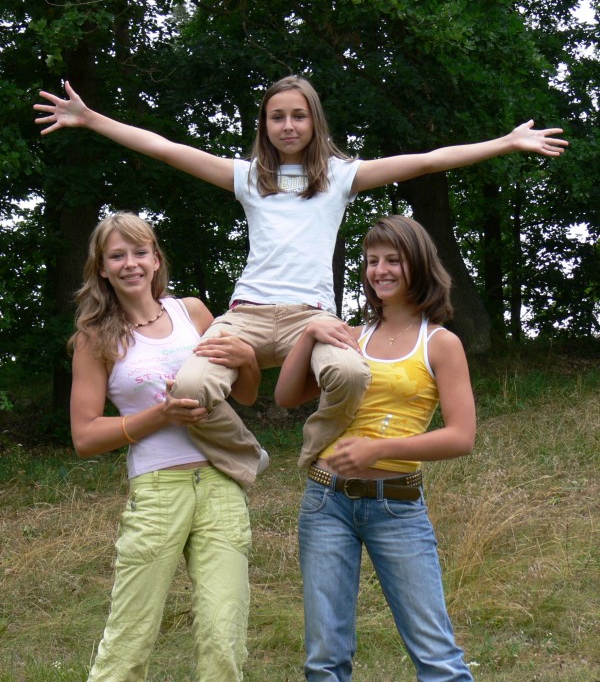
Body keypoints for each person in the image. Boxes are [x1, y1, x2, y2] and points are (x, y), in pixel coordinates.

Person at [35, 77, 566, 470]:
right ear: (264, 126)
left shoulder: (340, 177)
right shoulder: (248, 178)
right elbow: (167, 149)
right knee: (190, 386)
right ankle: (248, 454)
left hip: (310, 319)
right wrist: (92, 119)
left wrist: (505, 142)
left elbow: (427, 160)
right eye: (276, 117)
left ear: (314, 123)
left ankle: (315, 452)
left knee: (352, 374)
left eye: (298, 116)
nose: (287, 126)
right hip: (246, 316)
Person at [274, 214, 478, 682]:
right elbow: (286, 397)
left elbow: (461, 436)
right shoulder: (350, 337)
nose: (380, 270)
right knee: (324, 660)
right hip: (326, 502)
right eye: (371, 261)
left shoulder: (440, 343)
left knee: (437, 657)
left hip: (397, 506)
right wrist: (308, 334)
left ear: (418, 264)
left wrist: (377, 449)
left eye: (393, 260)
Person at [69, 211, 261, 682]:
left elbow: (245, 393)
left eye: (140, 252)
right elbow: (85, 436)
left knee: (223, 635)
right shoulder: (94, 338)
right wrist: (161, 415)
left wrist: (249, 359)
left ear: (156, 259)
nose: (130, 263)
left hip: (220, 480)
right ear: (102, 268)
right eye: (117, 256)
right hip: (158, 489)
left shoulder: (192, 313)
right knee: (129, 637)